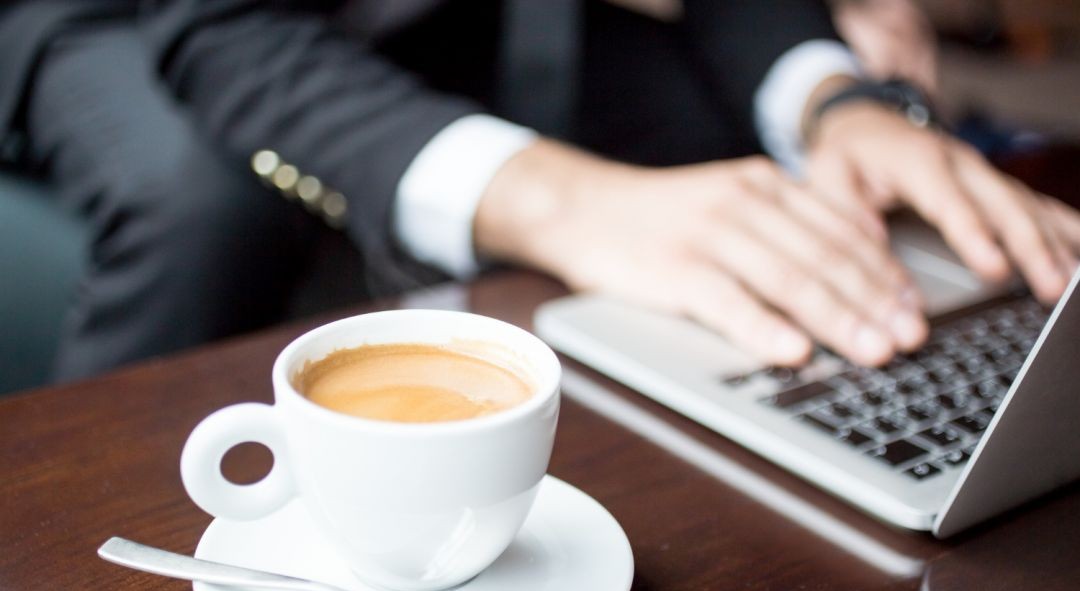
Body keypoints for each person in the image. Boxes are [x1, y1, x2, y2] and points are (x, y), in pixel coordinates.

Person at [2, 1, 1078, 381]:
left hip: (436, 15)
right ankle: (72, 568)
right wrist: (565, 203)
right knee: (206, 204)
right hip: (121, 14)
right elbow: (225, 27)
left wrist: (837, 99)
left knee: (705, 135)